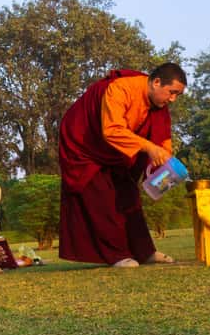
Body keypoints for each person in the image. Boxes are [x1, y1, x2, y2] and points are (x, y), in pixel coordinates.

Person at [58, 63, 186, 267]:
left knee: (128, 195)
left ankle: (144, 252)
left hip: (117, 152)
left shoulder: (158, 106)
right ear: (156, 82)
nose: (173, 99)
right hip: (85, 145)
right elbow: (112, 131)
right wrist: (150, 148)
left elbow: (163, 142)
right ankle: (116, 255)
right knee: (103, 199)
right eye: (171, 93)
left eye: (177, 95)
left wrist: (162, 173)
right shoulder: (120, 89)